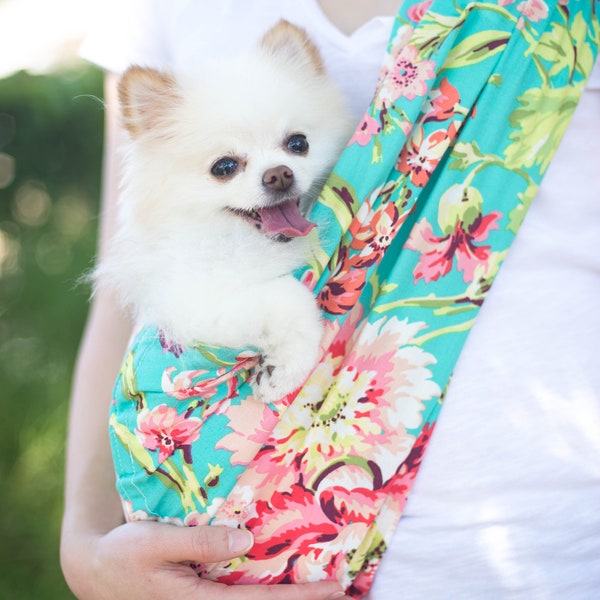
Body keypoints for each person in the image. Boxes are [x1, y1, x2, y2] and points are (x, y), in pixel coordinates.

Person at [60, 1, 600, 598]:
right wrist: (85, 549)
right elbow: (125, 304)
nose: (274, 173)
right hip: (250, 563)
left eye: (293, 144)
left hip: (561, 555)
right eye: (225, 166)